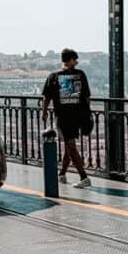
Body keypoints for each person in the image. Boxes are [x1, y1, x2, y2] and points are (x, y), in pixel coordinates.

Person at [41, 49, 92, 188]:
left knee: (70, 145)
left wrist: (44, 112)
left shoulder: (53, 76)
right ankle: (62, 174)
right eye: (75, 59)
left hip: (63, 116)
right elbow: (87, 97)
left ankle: (84, 177)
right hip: (78, 116)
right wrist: (88, 114)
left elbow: (46, 97)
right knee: (69, 145)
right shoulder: (80, 74)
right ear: (69, 60)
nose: (77, 62)